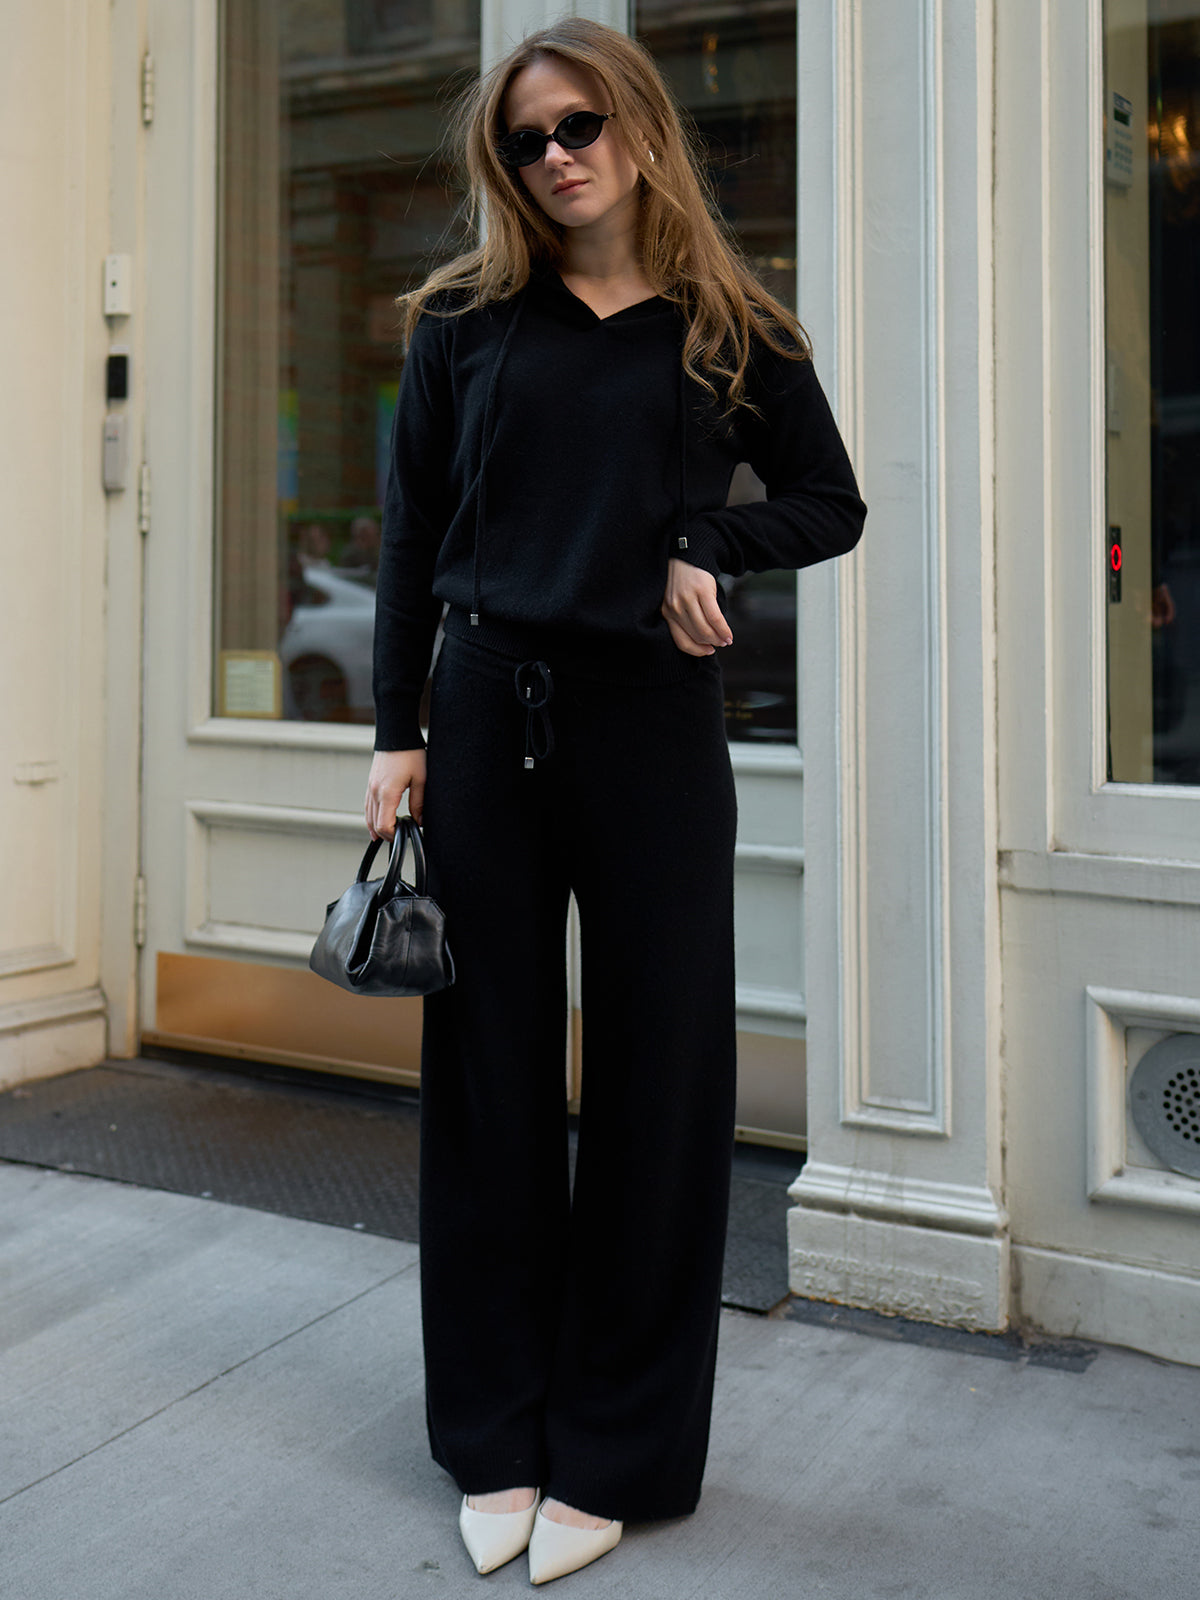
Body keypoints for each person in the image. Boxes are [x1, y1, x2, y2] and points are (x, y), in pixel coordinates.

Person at [363, 16, 866, 1585]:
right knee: (494, 1084)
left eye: (577, 125)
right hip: (482, 711)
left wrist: (712, 548)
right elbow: (409, 535)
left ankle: (621, 1444)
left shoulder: (731, 327)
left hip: (648, 734)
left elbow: (829, 502)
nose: (555, 156)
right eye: (525, 140)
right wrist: (395, 736)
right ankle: (498, 1429)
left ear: (637, 125)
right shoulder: (465, 323)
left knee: (659, 1084)